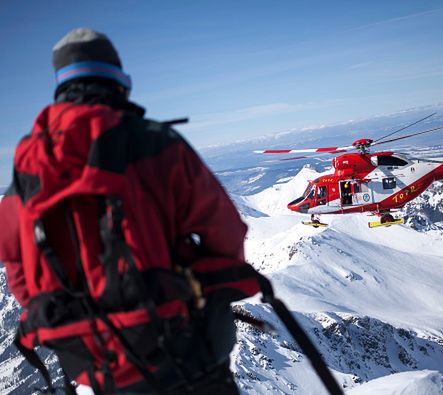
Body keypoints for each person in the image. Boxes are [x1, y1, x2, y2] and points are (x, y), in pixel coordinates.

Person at [0, 28, 260, 394]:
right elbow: (225, 230)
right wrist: (203, 285)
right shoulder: (156, 142)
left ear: (61, 87)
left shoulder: (28, 171)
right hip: (188, 350)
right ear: (119, 80)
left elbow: (18, 267)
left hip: (95, 366)